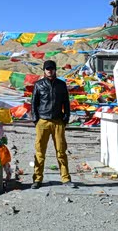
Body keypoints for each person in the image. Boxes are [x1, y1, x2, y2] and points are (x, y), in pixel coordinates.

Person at [30, 60, 76, 189]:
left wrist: (66, 118)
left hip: (58, 121)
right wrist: (36, 120)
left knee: (61, 151)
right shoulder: (38, 85)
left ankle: (66, 178)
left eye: (51, 69)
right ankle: (37, 179)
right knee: (40, 152)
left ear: (55, 70)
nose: (50, 71)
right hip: (43, 121)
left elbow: (66, 103)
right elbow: (34, 103)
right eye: (47, 69)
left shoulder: (61, 85)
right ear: (44, 70)